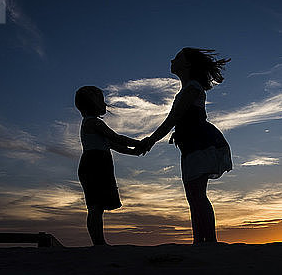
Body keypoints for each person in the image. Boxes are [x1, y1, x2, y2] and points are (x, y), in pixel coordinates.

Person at [137, 48, 232, 244]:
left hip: (201, 143)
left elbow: (174, 117)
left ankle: (208, 241)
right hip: (192, 144)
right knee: (194, 195)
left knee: (197, 195)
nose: (172, 59)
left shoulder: (192, 88)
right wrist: (178, 133)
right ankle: (200, 240)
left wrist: (151, 140)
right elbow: (183, 120)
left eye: (178, 57)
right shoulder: (188, 89)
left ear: (187, 64)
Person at [75, 86, 141, 246]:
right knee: (95, 207)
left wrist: (136, 151)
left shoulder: (94, 125)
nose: (104, 104)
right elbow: (116, 138)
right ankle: (98, 242)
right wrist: (140, 143)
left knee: (97, 207)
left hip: (100, 165)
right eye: (101, 100)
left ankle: (99, 241)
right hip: (93, 165)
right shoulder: (93, 123)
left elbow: (115, 145)